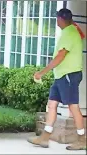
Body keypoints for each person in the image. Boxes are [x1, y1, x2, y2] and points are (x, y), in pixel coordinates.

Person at [27, 8, 86, 150]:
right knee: (52, 105)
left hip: (68, 76)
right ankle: (45, 138)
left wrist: (42, 72)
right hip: (61, 76)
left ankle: (82, 140)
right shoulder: (70, 31)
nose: (56, 22)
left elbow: (61, 56)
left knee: (73, 107)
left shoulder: (70, 33)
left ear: (60, 19)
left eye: (57, 19)